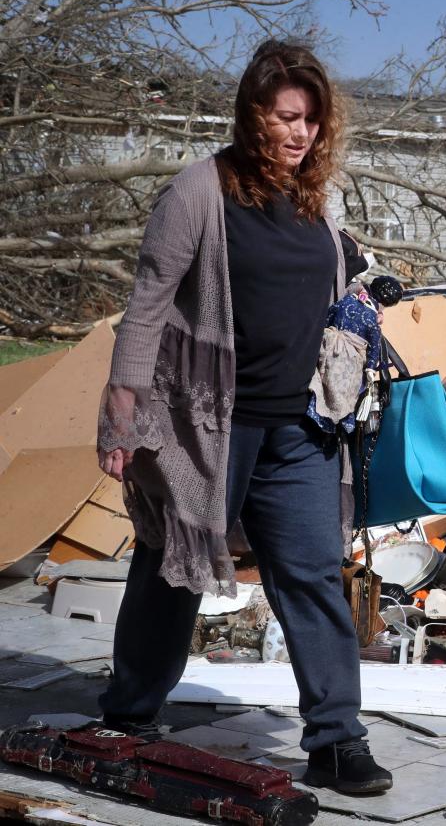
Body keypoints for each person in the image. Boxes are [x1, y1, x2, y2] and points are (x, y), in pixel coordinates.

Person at [96, 40, 393, 794]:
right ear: (254, 113)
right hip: (209, 425)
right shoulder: (201, 190)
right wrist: (123, 416)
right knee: (173, 567)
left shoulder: (315, 205)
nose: (301, 134)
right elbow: (149, 302)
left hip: (300, 429)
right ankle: (129, 712)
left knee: (314, 576)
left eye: (312, 122)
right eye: (286, 117)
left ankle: (337, 739)